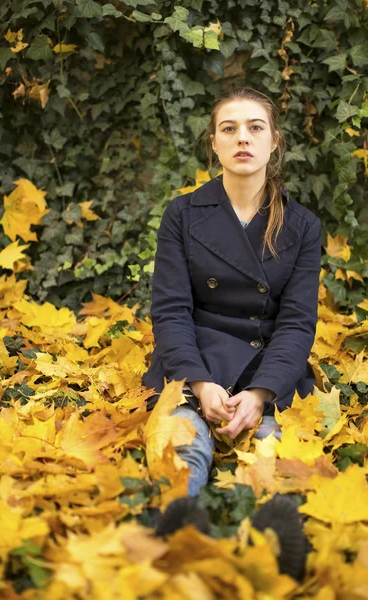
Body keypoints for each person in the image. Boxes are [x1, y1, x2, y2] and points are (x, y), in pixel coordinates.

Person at [142, 87, 322, 497]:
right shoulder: (182, 215)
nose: (243, 137)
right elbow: (170, 312)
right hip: (192, 363)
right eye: (230, 128)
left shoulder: (302, 225)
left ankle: (276, 541)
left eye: (255, 127)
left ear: (273, 141)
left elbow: (297, 323)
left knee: (272, 458)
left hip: (266, 366)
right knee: (182, 454)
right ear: (215, 143)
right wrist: (199, 383)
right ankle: (175, 525)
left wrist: (261, 392)